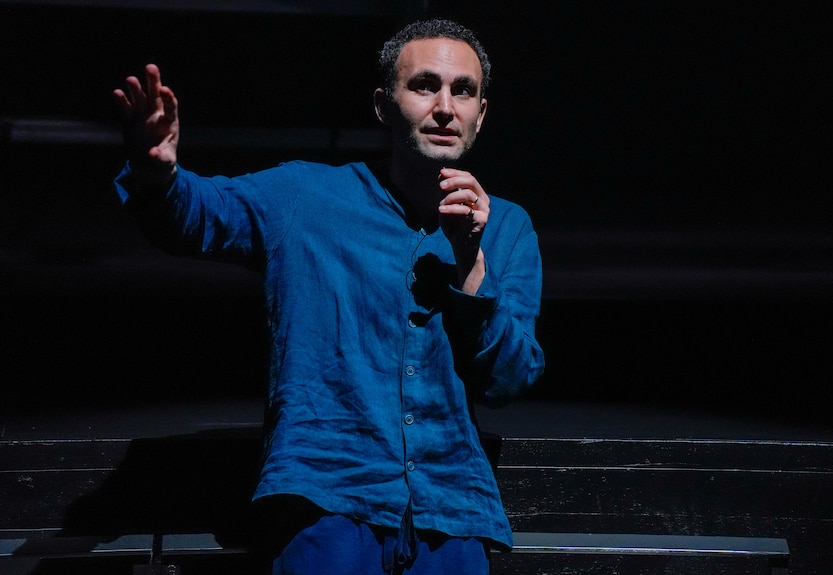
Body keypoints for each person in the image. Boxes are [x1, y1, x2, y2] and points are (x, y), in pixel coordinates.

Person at [112, 18, 544, 575]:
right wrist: (157, 173)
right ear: (384, 105)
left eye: (463, 91)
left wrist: (470, 264)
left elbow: (509, 379)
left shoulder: (506, 228)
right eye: (424, 86)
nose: (444, 107)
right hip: (327, 502)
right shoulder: (306, 196)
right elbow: (197, 217)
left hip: (452, 514)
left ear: (480, 114)